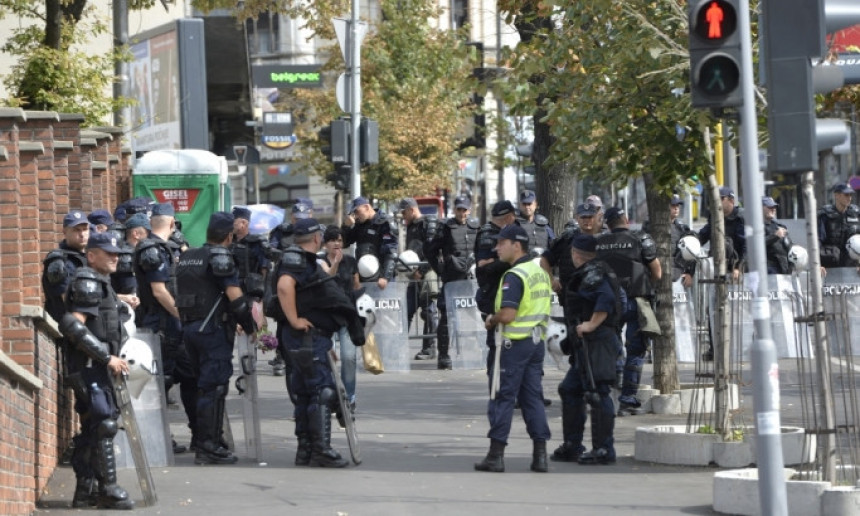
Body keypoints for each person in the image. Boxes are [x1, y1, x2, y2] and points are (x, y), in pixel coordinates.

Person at [274, 218, 366, 468]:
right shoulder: (297, 259)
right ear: (316, 239)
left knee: (305, 393)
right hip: (304, 336)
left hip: (312, 339)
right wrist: (294, 320)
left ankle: (305, 450)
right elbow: (284, 286)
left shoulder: (303, 261)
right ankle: (321, 450)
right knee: (321, 391)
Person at [57, 232, 134, 509]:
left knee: (94, 427)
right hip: (90, 367)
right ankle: (108, 489)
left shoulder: (102, 282)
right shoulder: (88, 280)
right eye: (108, 252)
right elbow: (73, 325)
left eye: (116, 253)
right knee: (104, 424)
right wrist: (106, 357)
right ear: (91, 255)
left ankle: (86, 491)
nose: (115, 257)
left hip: (96, 367)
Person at [175, 212, 257, 465]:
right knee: (214, 388)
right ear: (228, 235)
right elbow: (235, 297)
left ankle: (211, 440)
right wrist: (250, 326)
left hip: (190, 330)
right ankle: (208, 446)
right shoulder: (220, 257)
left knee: (203, 386)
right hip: (213, 331)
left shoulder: (189, 256)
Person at [476, 224, 552, 473]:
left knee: (502, 397)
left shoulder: (515, 275)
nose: (497, 248)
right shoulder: (539, 271)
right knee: (533, 399)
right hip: (534, 343)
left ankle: (495, 456)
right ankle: (540, 456)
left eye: (501, 243)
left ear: (516, 245)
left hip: (513, 345)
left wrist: (492, 320)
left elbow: (508, 314)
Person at [552, 234, 622, 465]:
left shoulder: (594, 273)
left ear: (575, 254)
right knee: (570, 389)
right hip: (586, 344)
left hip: (598, 341)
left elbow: (606, 299)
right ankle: (573, 444)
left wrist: (591, 324)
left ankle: (604, 450)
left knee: (598, 393)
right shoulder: (594, 270)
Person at [133, 202, 195, 453]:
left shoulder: (161, 248)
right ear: (171, 223)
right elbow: (159, 292)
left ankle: (200, 435)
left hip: (167, 324)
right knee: (158, 383)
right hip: (161, 324)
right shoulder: (152, 250)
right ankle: (157, 440)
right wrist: (181, 316)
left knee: (187, 376)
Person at [595, 207, 661, 416]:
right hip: (636, 301)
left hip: (608, 302)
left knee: (614, 348)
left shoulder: (600, 242)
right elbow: (657, 272)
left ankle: (613, 396)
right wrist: (643, 284)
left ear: (608, 223)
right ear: (625, 219)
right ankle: (628, 397)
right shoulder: (640, 238)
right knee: (636, 350)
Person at [424, 195, 480, 370]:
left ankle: (484, 350)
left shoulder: (475, 227)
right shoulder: (446, 228)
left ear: (469, 210)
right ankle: (443, 355)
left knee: (480, 314)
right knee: (447, 317)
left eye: (464, 210)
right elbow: (430, 250)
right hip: (452, 278)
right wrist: (440, 268)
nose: (462, 213)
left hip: (472, 277)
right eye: (459, 209)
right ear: (454, 210)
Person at [319, 226, 361, 409]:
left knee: (349, 357)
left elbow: (356, 286)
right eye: (332, 240)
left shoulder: (351, 262)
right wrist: (335, 262)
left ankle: (349, 396)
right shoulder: (319, 261)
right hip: (327, 315)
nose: (336, 243)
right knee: (328, 358)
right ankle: (330, 394)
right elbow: (327, 276)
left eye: (339, 240)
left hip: (347, 314)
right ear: (326, 244)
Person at [399, 197, 439, 360]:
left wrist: (421, 271)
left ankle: (429, 348)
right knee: (406, 311)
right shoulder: (411, 227)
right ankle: (400, 347)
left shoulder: (427, 224)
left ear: (411, 209)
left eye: (404, 212)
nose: (402, 216)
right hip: (414, 275)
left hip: (425, 274)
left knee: (429, 312)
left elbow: (432, 250)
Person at [541, 203, 601, 298]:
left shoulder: (603, 239)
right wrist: (552, 281)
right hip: (571, 297)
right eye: (583, 217)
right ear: (577, 218)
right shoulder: (567, 239)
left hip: (596, 296)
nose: (587, 220)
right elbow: (544, 260)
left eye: (590, 217)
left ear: (595, 218)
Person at [42, 210, 90, 322]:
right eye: (76, 230)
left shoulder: (89, 256)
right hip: (69, 328)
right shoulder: (58, 260)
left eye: (85, 229)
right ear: (64, 231)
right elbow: (67, 299)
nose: (82, 234)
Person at [342, 196, 398, 289]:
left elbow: (391, 252)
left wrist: (385, 277)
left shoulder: (385, 222)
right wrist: (345, 227)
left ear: (366, 207)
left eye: (357, 211)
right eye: (354, 213)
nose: (356, 215)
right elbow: (344, 243)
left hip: (382, 278)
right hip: (364, 277)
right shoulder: (359, 225)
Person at [642, 194, 697, 287]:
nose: (676, 208)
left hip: (678, 278)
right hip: (657, 276)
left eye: (677, 206)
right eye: (673, 206)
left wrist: (689, 273)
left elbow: (691, 251)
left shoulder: (682, 228)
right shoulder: (650, 227)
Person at [698, 186, 746, 282]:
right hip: (717, 270)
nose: (716, 201)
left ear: (731, 200)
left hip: (738, 273)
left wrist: (738, 268)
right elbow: (701, 237)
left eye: (721, 198)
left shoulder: (741, 219)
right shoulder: (714, 218)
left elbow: (746, 247)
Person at [230, 206, 270, 299]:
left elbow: (264, 270)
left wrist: (260, 294)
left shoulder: (256, 243)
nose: (231, 224)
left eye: (233, 221)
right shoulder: (229, 241)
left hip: (250, 292)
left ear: (243, 223)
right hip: (231, 290)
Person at [818, 183, 860, 269]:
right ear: (836, 196)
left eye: (850, 195)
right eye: (846, 195)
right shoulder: (825, 215)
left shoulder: (856, 214)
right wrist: (817, 265)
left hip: (852, 266)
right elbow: (818, 242)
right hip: (830, 266)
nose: (849, 198)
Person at [517, 189, 555, 256]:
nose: (527, 207)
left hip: (542, 263)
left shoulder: (543, 223)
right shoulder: (515, 224)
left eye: (529, 204)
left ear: (535, 204)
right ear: (520, 205)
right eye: (524, 204)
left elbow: (553, 243)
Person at [762, 196, 793, 275]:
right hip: (767, 268)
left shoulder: (779, 226)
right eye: (770, 207)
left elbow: (790, 246)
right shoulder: (756, 227)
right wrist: (775, 236)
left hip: (783, 268)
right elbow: (756, 245)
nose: (773, 209)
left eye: (774, 207)